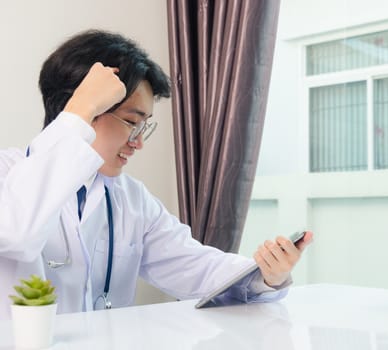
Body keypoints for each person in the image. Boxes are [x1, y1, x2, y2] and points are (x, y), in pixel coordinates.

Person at [0, 30, 313, 319]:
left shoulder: (130, 198)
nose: (137, 142)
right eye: (130, 122)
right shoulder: (6, 173)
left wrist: (265, 275)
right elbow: (18, 232)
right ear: (84, 111)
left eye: (143, 126)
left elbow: (197, 267)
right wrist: (81, 105)